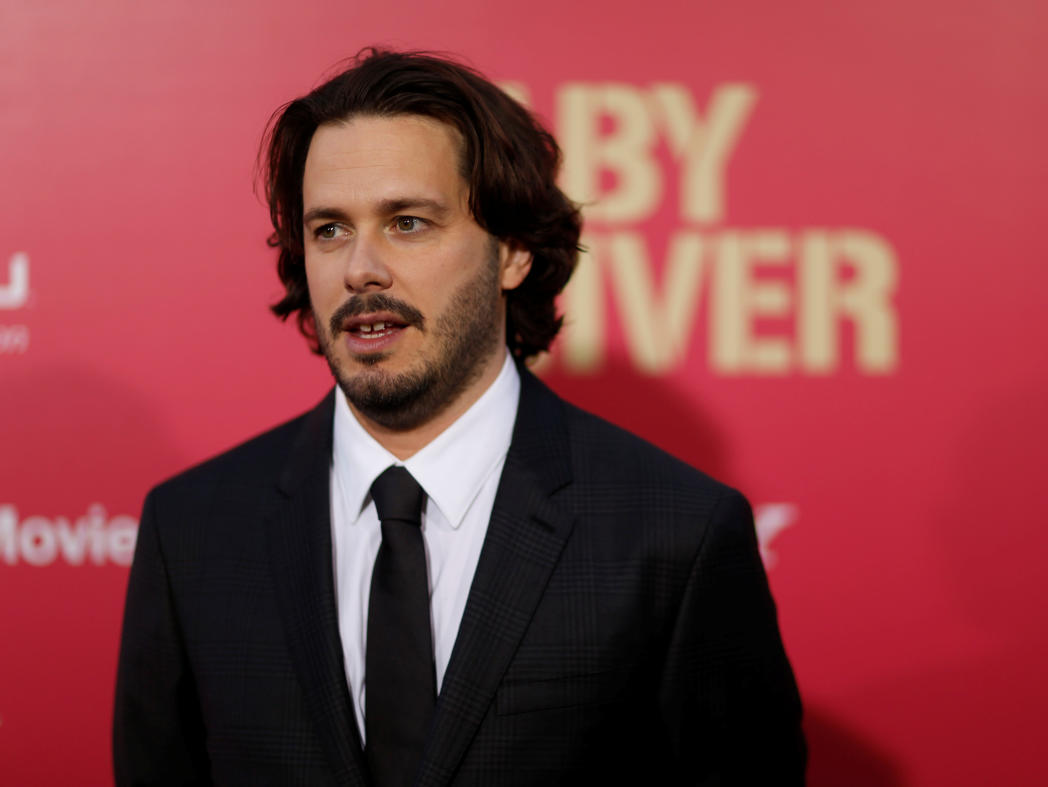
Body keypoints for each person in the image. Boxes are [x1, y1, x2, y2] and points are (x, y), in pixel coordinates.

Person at [113, 49, 805, 786]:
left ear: (511, 251)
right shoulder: (192, 530)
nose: (360, 269)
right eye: (329, 230)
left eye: (407, 222)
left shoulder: (674, 535)